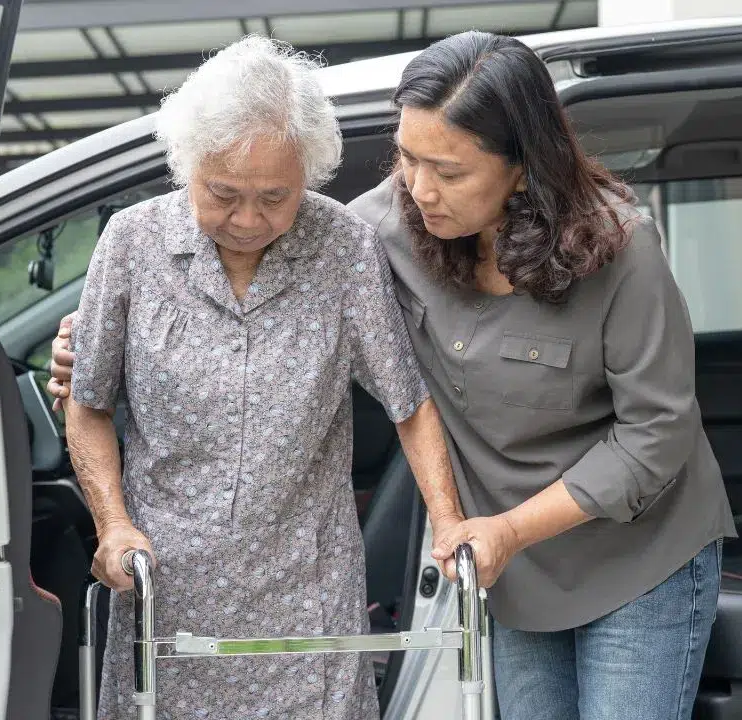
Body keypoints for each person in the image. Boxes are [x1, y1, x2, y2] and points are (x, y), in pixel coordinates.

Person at [51, 31, 737, 720]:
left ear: (523, 169)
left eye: (449, 170)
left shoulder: (618, 248)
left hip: (636, 556)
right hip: (517, 565)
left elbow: (657, 433)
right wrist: (88, 355)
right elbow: (279, 271)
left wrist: (497, 528)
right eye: (407, 158)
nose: (419, 187)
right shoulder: (381, 224)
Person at [59, 36, 456, 720]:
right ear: (188, 166)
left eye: (275, 196)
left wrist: (448, 522)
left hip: (307, 598)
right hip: (168, 592)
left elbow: (409, 403)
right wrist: (112, 525)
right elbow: (88, 401)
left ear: (308, 172)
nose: (248, 219)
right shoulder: (131, 244)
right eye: (223, 194)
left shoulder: (343, 248)